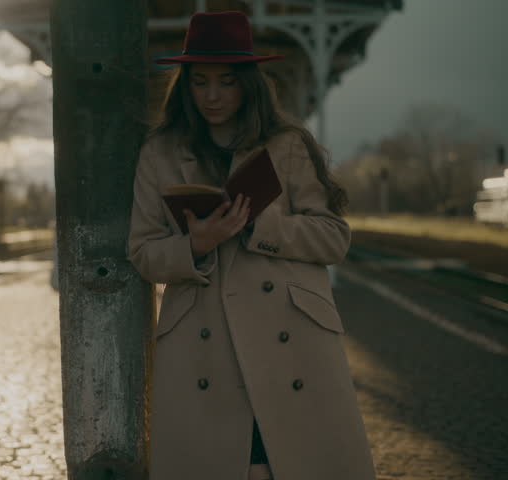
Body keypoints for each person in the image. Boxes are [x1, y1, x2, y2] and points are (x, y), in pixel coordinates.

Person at [127, 11, 376, 480]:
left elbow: (334, 238)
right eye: (200, 81)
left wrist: (263, 225)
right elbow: (142, 252)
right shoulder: (159, 153)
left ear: (248, 83)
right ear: (185, 85)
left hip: (288, 337)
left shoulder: (287, 145)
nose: (212, 95)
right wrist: (195, 245)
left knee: (285, 463)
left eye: (226, 81)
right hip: (203, 341)